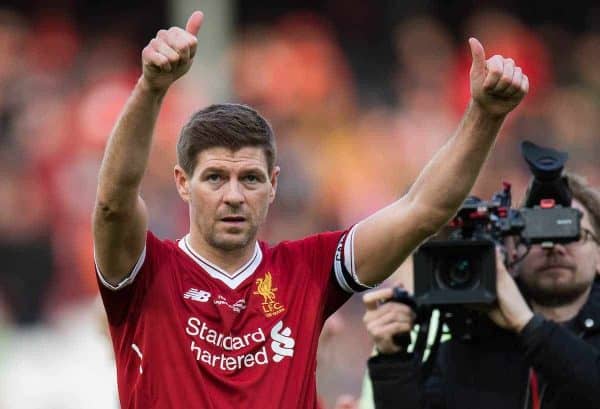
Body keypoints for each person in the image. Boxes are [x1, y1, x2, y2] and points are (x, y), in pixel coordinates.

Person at [92, 10, 529, 409]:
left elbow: (422, 210)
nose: (233, 196)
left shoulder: (307, 269)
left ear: (273, 185)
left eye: (250, 178)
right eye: (214, 178)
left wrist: (485, 115)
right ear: (183, 184)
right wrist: (151, 88)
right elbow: (113, 204)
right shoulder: (148, 271)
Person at [362, 172, 600, 409]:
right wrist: (392, 359)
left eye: (572, 232)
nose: (554, 245)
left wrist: (527, 324)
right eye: (536, 233)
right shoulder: (471, 341)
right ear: (512, 251)